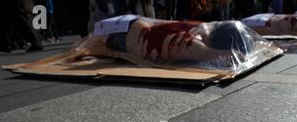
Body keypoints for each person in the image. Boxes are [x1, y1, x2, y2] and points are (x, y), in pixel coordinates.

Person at [69, 17, 257, 67]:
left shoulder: (196, 29)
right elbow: (230, 56)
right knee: (93, 42)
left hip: (131, 29)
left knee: (93, 39)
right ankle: (89, 42)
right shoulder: (192, 44)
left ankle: (89, 41)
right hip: (124, 38)